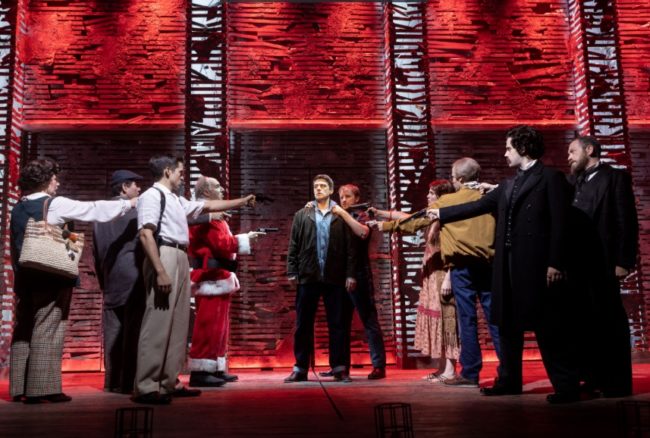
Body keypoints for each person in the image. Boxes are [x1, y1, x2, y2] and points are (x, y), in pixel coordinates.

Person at [428, 126, 581, 403]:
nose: (504, 153)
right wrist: (440, 212)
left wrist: (555, 263)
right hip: (507, 265)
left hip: (536, 265)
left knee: (548, 327)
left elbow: (561, 224)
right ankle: (509, 380)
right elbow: (477, 206)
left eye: (509, 148)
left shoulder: (550, 178)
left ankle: (566, 386)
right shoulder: (509, 184)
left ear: (523, 149)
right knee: (507, 325)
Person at [10, 158, 137, 404]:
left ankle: (19, 387)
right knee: (49, 328)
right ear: (46, 181)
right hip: (50, 275)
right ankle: (41, 389)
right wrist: (128, 204)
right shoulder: (53, 204)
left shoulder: (18, 207)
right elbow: (93, 209)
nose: (57, 182)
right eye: (55, 178)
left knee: (24, 330)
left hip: (25, 277)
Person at [133, 155, 255, 404]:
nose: (182, 176)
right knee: (158, 321)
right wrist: (159, 270)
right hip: (164, 252)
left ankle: (169, 381)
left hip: (179, 255)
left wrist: (243, 201)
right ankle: (146, 385)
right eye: (179, 172)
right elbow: (146, 234)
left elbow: (208, 207)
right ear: (167, 172)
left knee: (178, 323)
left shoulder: (176, 200)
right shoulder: (151, 196)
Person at [567, 136, 638, 397]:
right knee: (584, 323)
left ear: (589, 150)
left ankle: (616, 382)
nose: (569, 157)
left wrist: (623, 261)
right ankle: (591, 378)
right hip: (578, 264)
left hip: (606, 261)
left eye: (573, 151)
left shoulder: (615, 178)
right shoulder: (573, 181)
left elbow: (626, 222)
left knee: (609, 321)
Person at [372, 180, 460, 382]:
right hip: (430, 275)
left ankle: (450, 370)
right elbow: (410, 218)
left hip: (441, 275)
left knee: (446, 321)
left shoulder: (446, 218)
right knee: (435, 321)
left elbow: (412, 224)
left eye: (431, 193)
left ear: (441, 197)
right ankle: (441, 368)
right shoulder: (432, 216)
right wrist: (380, 213)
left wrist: (384, 225)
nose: (428, 196)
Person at [187, 176, 265, 387]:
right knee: (208, 327)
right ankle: (201, 372)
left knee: (219, 327)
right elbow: (222, 244)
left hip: (218, 277)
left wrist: (243, 238)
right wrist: (246, 239)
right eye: (217, 187)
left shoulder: (211, 216)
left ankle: (215, 367)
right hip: (210, 278)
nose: (222, 189)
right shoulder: (205, 217)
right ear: (205, 193)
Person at [284, 174, 357, 383]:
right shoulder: (302, 214)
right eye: (316, 186)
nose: (318, 189)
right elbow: (294, 244)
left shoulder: (340, 214)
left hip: (335, 276)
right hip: (309, 276)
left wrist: (350, 273)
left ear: (331, 190)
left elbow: (350, 249)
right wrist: (292, 270)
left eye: (323, 186)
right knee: (303, 324)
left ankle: (339, 367)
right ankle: (300, 367)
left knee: (338, 324)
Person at [317, 184, 387, 380]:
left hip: (359, 274)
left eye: (347, 196)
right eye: (341, 196)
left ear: (357, 198)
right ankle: (340, 365)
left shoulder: (363, 214)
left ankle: (379, 365)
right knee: (339, 322)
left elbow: (363, 233)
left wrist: (343, 214)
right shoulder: (336, 216)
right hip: (338, 276)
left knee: (368, 320)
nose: (343, 200)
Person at [93, 169, 145, 394]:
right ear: (124, 188)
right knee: (132, 329)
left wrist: (102, 278)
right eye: (135, 185)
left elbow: (95, 250)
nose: (139, 189)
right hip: (131, 275)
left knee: (113, 328)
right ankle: (127, 382)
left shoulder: (100, 213)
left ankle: (112, 381)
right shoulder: (133, 212)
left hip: (110, 275)